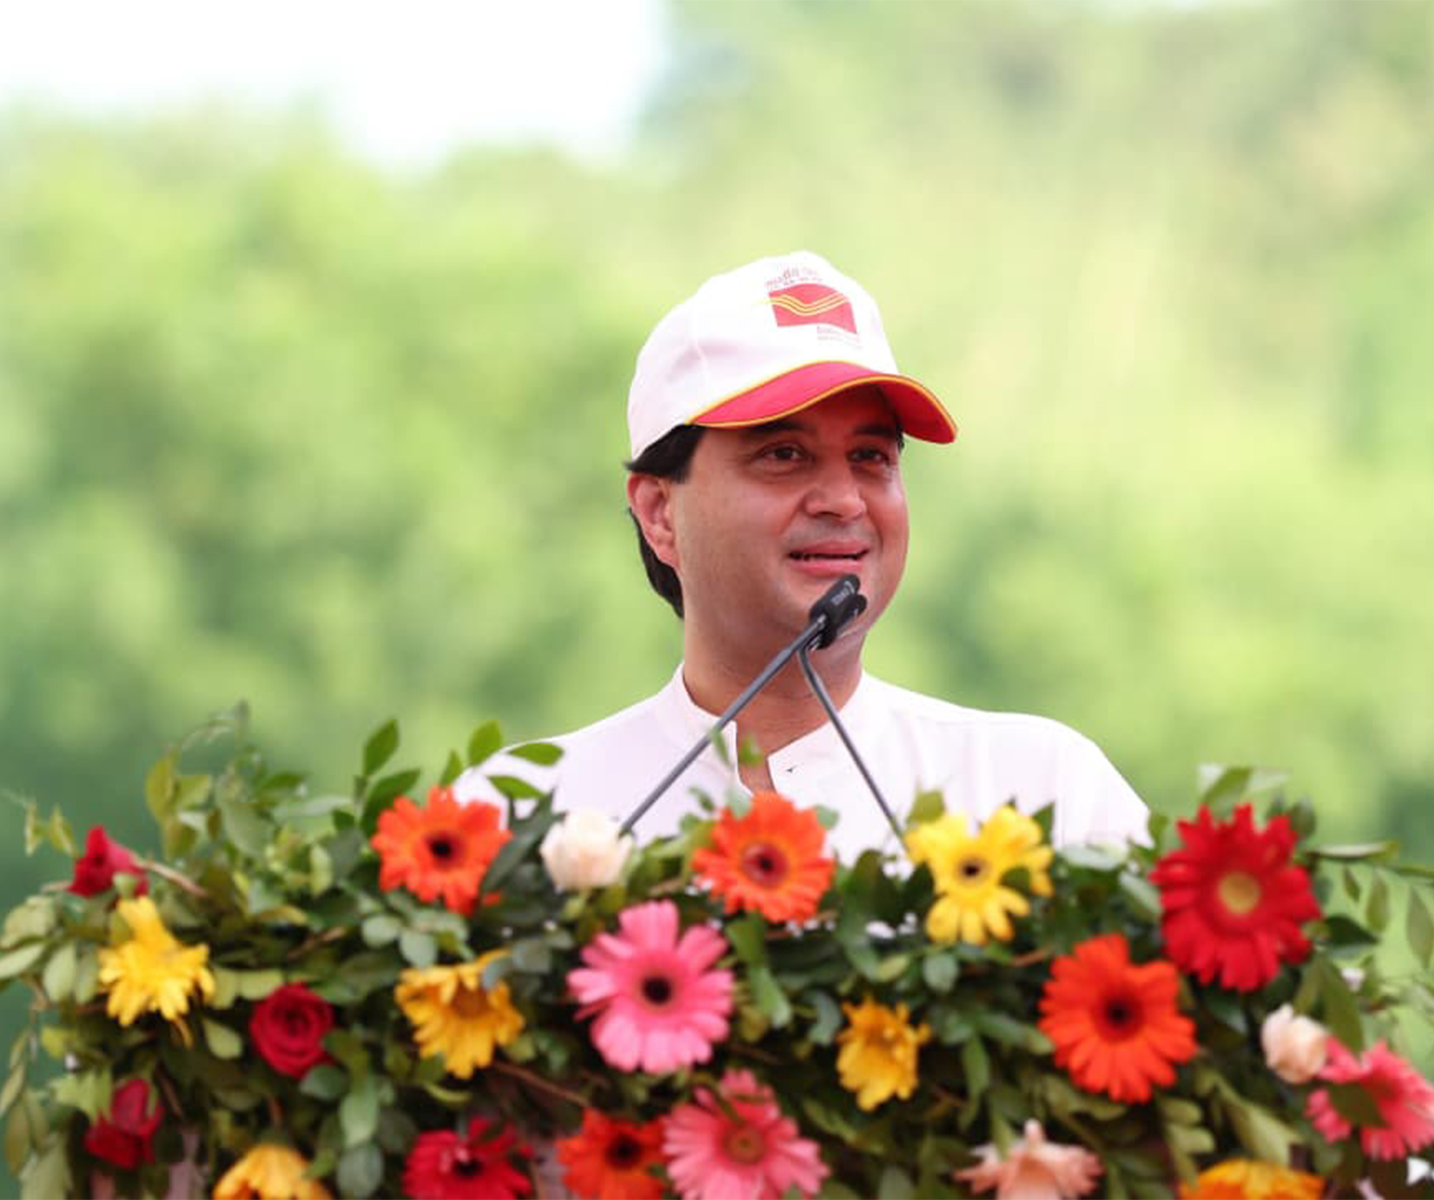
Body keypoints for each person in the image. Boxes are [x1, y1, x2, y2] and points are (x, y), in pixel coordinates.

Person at [485, 250, 1148, 857]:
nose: (844, 500)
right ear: (660, 512)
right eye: (783, 455)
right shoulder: (512, 820)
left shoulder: (1047, 796)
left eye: (871, 457)